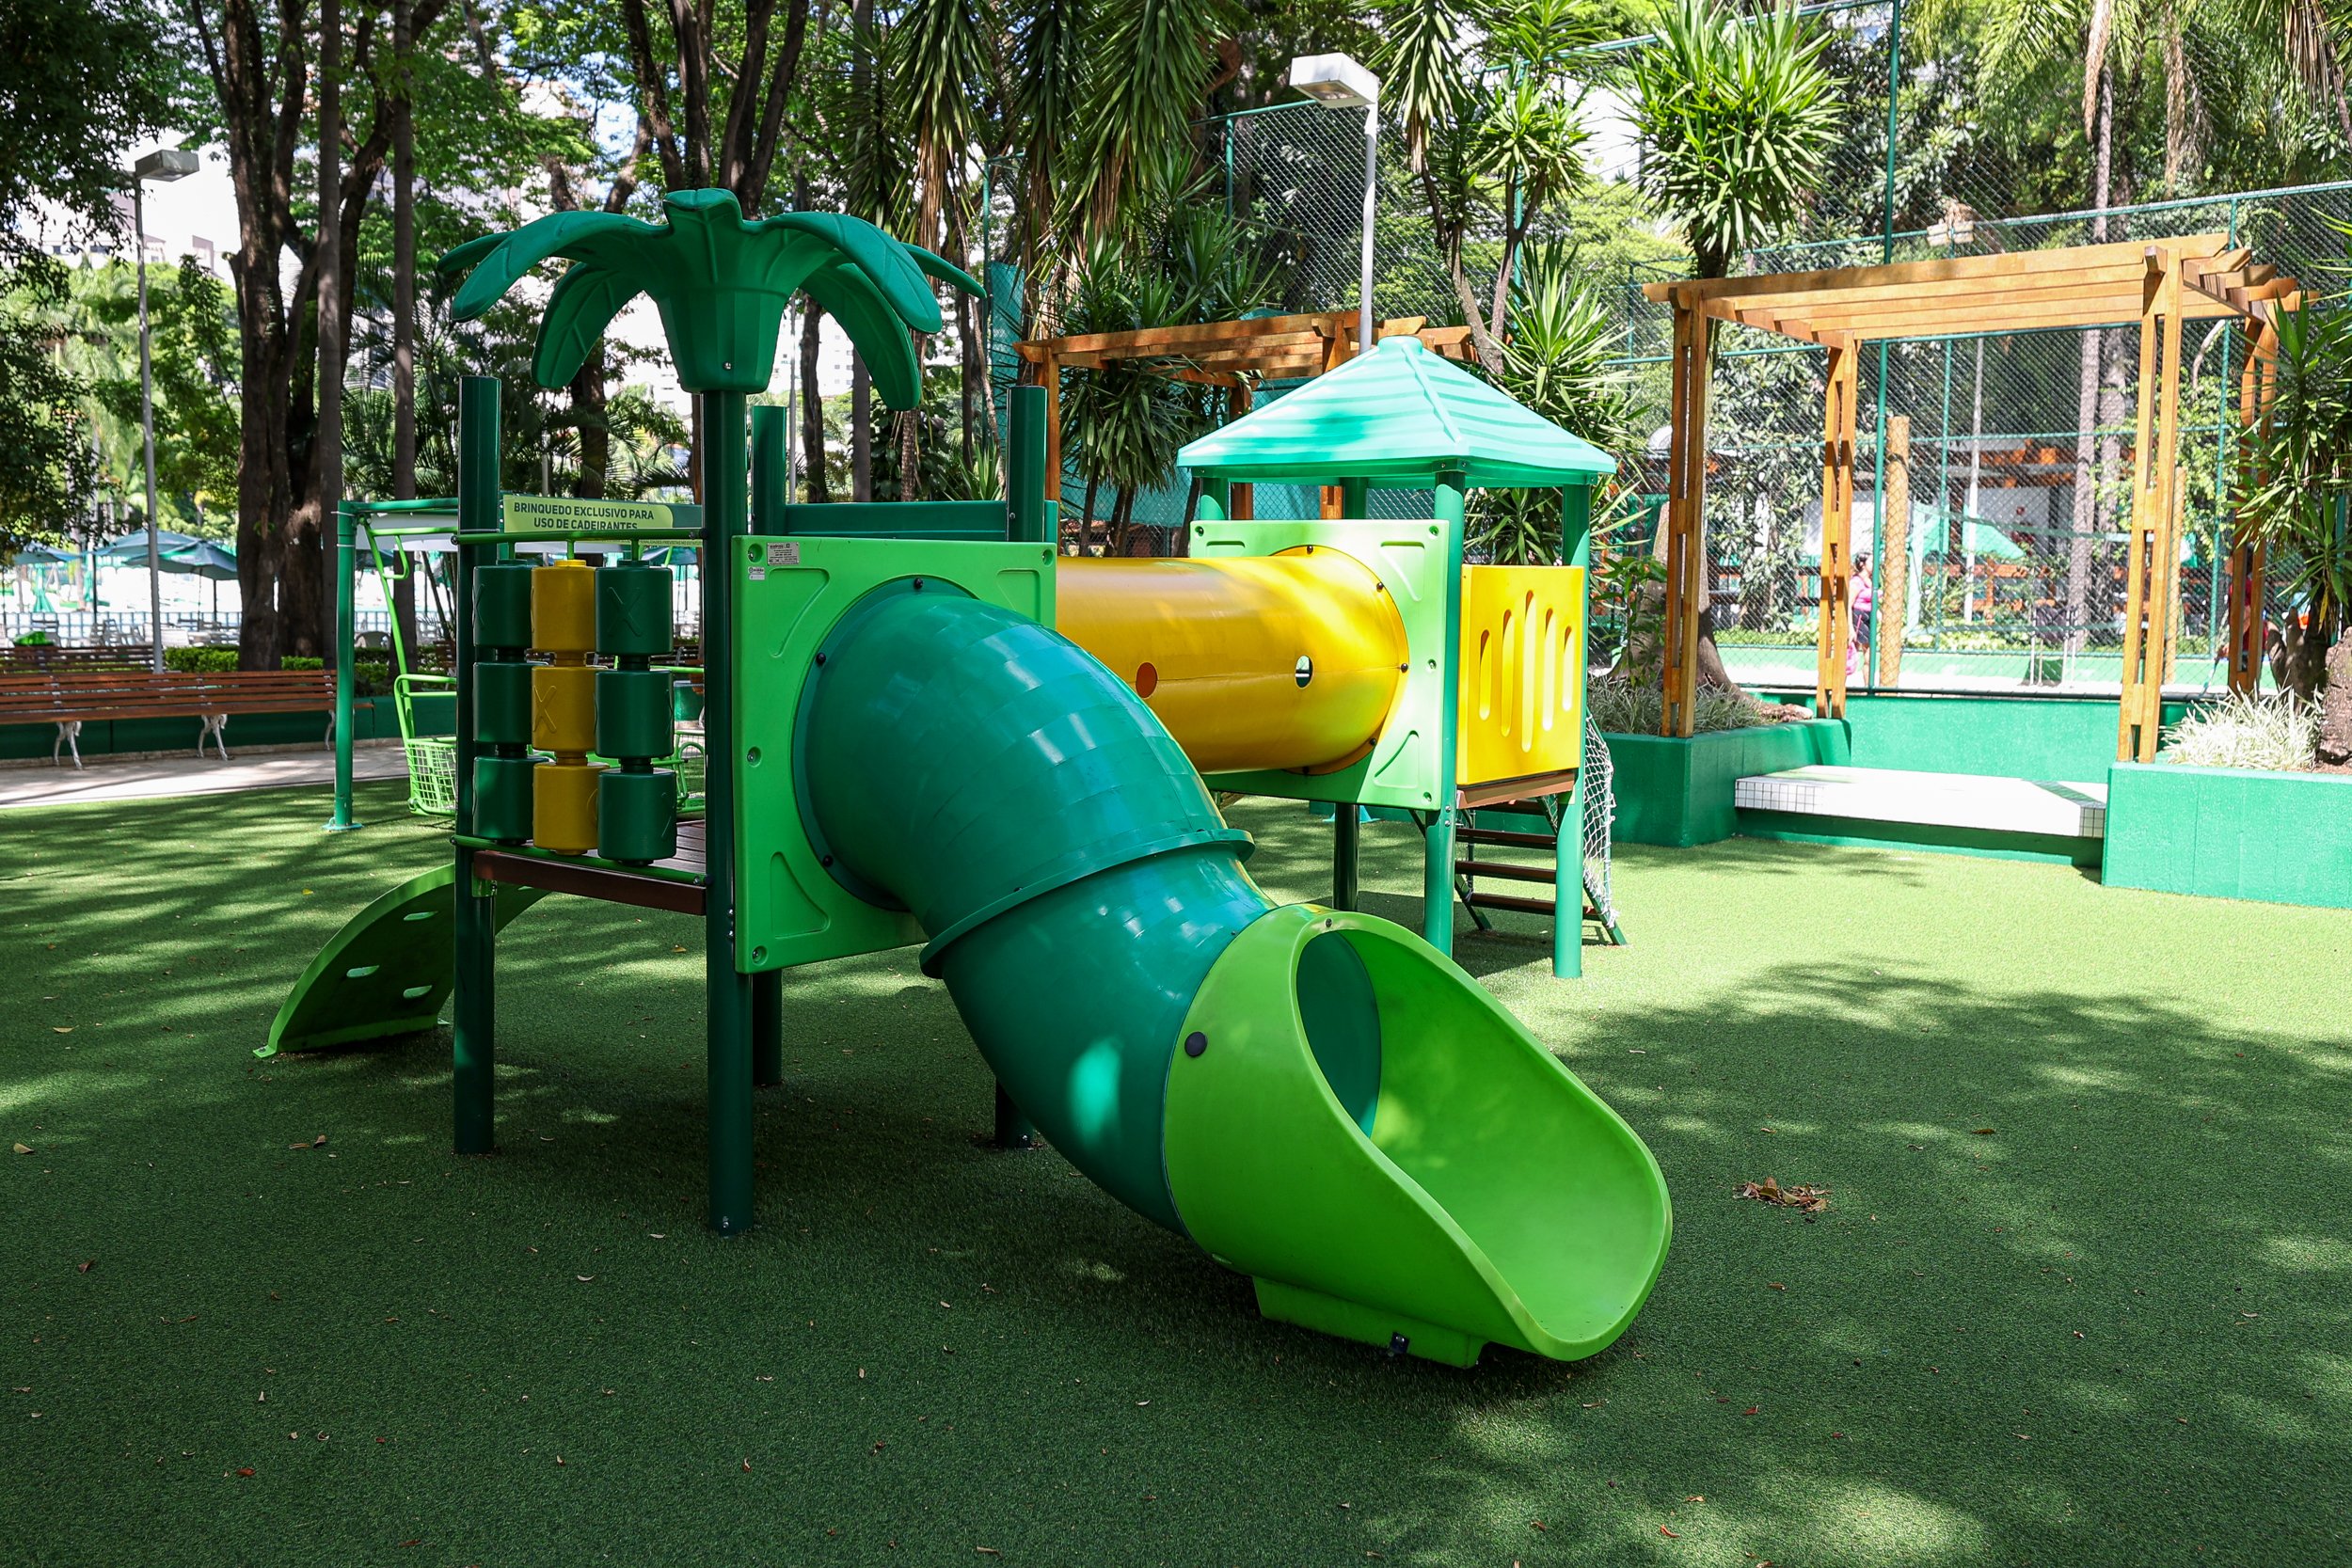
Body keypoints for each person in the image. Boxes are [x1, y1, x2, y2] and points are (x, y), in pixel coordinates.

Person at [1847, 550, 1873, 678]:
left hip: (1869, 618)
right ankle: (1840, 685)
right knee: (1851, 653)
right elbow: (1848, 605)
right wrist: (1850, 629)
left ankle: (1868, 687)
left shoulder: (1870, 581)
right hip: (1859, 618)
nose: (1875, 564)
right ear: (1862, 564)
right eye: (1872, 562)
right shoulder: (1856, 582)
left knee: (1869, 656)